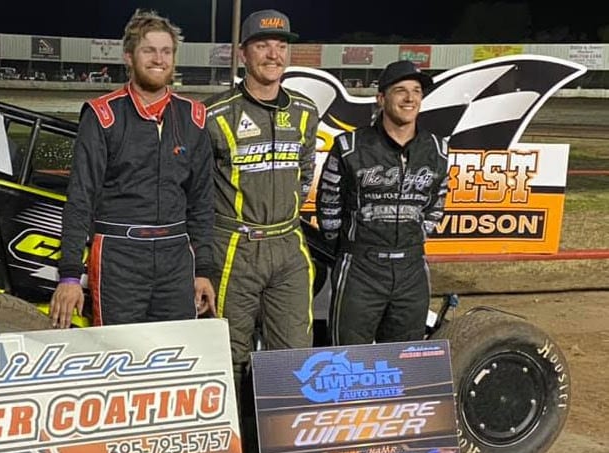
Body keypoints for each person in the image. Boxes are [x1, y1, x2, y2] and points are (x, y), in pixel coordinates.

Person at [50, 9, 215, 328]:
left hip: (176, 258)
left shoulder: (193, 116)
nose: (159, 59)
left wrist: (204, 269)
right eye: (148, 50)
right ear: (129, 57)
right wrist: (70, 274)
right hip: (118, 256)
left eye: (166, 51)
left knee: (176, 354)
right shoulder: (102, 116)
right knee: (118, 356)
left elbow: (202, 203)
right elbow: (80, 199)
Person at [204, 9, 319, 397]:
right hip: (234, 247)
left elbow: (304, 172)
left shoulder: (305, 111)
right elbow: (197, 190)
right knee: (226, 355)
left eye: (281, 45)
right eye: (263, 45)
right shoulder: (214, 113)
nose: (273, 54)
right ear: (243, 55)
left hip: (288, 245)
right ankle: (231, 451)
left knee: (293, 355)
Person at [316, 60, 448, 345]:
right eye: (400, 90)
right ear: (381, 98)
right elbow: (328, 207)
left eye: (416, 91)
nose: (410, 98)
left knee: (405, 359)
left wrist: (414, 236)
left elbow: (437, 203)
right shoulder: (349, 146)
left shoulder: (437, 149)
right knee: (348, 359)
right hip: (361, 268)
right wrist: (350, 249)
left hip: (412, 267)